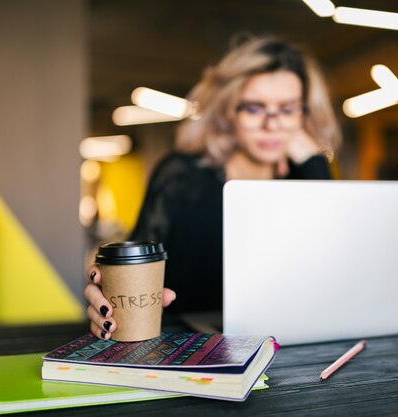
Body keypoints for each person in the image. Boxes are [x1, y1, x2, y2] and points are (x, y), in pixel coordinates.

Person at [85, 36, 342, 340]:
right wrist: (109, 288)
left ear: (305, 114)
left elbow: (333, 270)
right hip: (188, 346)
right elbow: (135, 262)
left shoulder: (304, 180)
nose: (272, 125)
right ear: (228, 111)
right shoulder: (182, 177)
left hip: (289, 344)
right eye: (254, 108)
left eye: (287, 110)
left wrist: (314, 163)